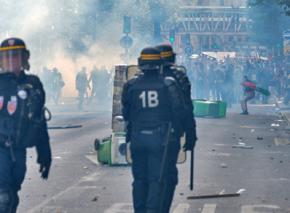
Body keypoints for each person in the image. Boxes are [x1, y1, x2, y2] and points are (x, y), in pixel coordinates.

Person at [122, 47, 186, 213]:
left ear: (141, 64)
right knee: (156, 180)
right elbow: (178, 111)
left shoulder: (131, 85)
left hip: (137, 138)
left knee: (139, 180)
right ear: (159, 64)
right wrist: (178, 134)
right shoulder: (168, 84)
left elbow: (126, 113)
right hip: (160, 139)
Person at [0, 37, 52, 212]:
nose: (11, 61)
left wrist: (45, 154)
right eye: (6, 57)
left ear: (24, 59)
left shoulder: (32, 84)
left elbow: (39, 121)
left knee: (12, 195)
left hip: (19, 151)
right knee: (3, 197)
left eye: (15, 56)